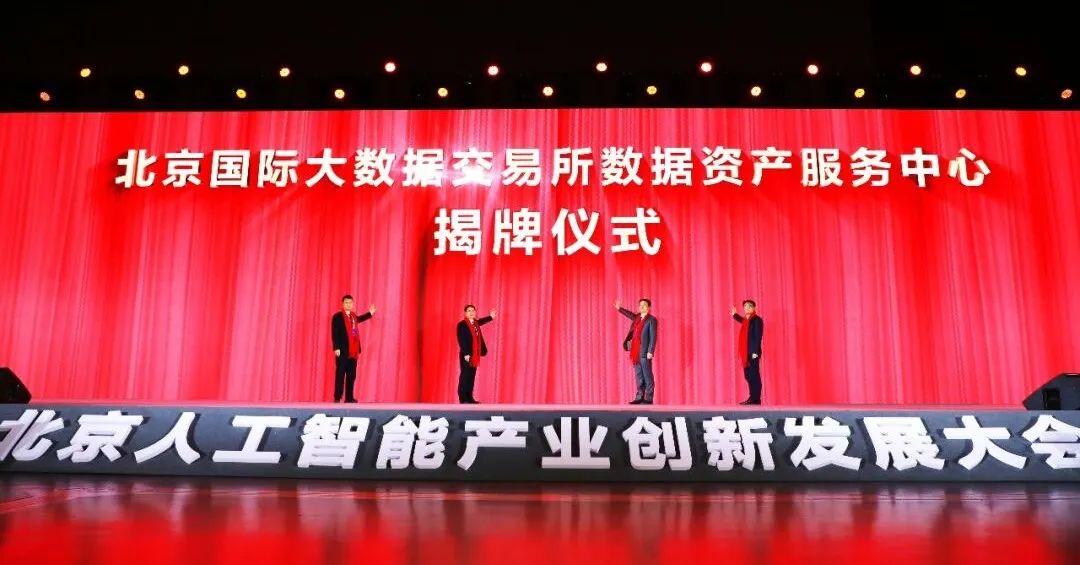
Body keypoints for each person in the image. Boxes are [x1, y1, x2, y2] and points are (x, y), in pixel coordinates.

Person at [330, 295, 375, 403]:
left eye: (350, 303)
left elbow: (360, 319)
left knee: (351, 376)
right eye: (346, 302)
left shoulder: (353, 316)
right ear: (342, 304)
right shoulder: (337, 317)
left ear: (352, 304)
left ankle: (349, 398)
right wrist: (336, 347)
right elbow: (334, 333)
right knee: (340, 375)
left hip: (353, 352)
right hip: (342, 351)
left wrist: (370, 313)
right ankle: (337, 397)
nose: (348, 304)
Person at [614, 298, 658, 404]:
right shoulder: (637, 318)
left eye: (644, 305)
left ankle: (648, 398)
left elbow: (653, 336)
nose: (641, 307)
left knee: (647, 375)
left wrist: (650, 351)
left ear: (649, 307)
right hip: (635, 351)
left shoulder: (651, 320)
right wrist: (619, 308)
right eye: (640, 305)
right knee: (639, 376)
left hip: (645, 352)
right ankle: (639, 397)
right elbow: (629, 314)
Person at [456, 305, 497, 404]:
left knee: (471, 377)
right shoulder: (462, 325)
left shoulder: (475, 323)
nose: (471, 312)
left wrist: (491, 317)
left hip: (475, 355)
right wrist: (466, 353)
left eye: (473, 311)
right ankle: (463, 398)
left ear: (475, 312)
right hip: (467, 355)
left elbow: (481, 321)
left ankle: (469, 398)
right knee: (465, 376)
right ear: (465, 313)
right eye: (469, 311)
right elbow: (461, 339)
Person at [731, 299, 764, 405]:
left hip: (753, 353)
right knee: (748, 375)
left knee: (754, 375)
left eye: (750, 306)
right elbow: (742, 321)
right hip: (746, 353)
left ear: (754, 308)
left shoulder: (757, 320)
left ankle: (756, 399)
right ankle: (752, 397)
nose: (747, 307)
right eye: (745, 306)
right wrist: (735, 315)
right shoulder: (747, 320)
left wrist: (755, 352)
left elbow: (758, 336)